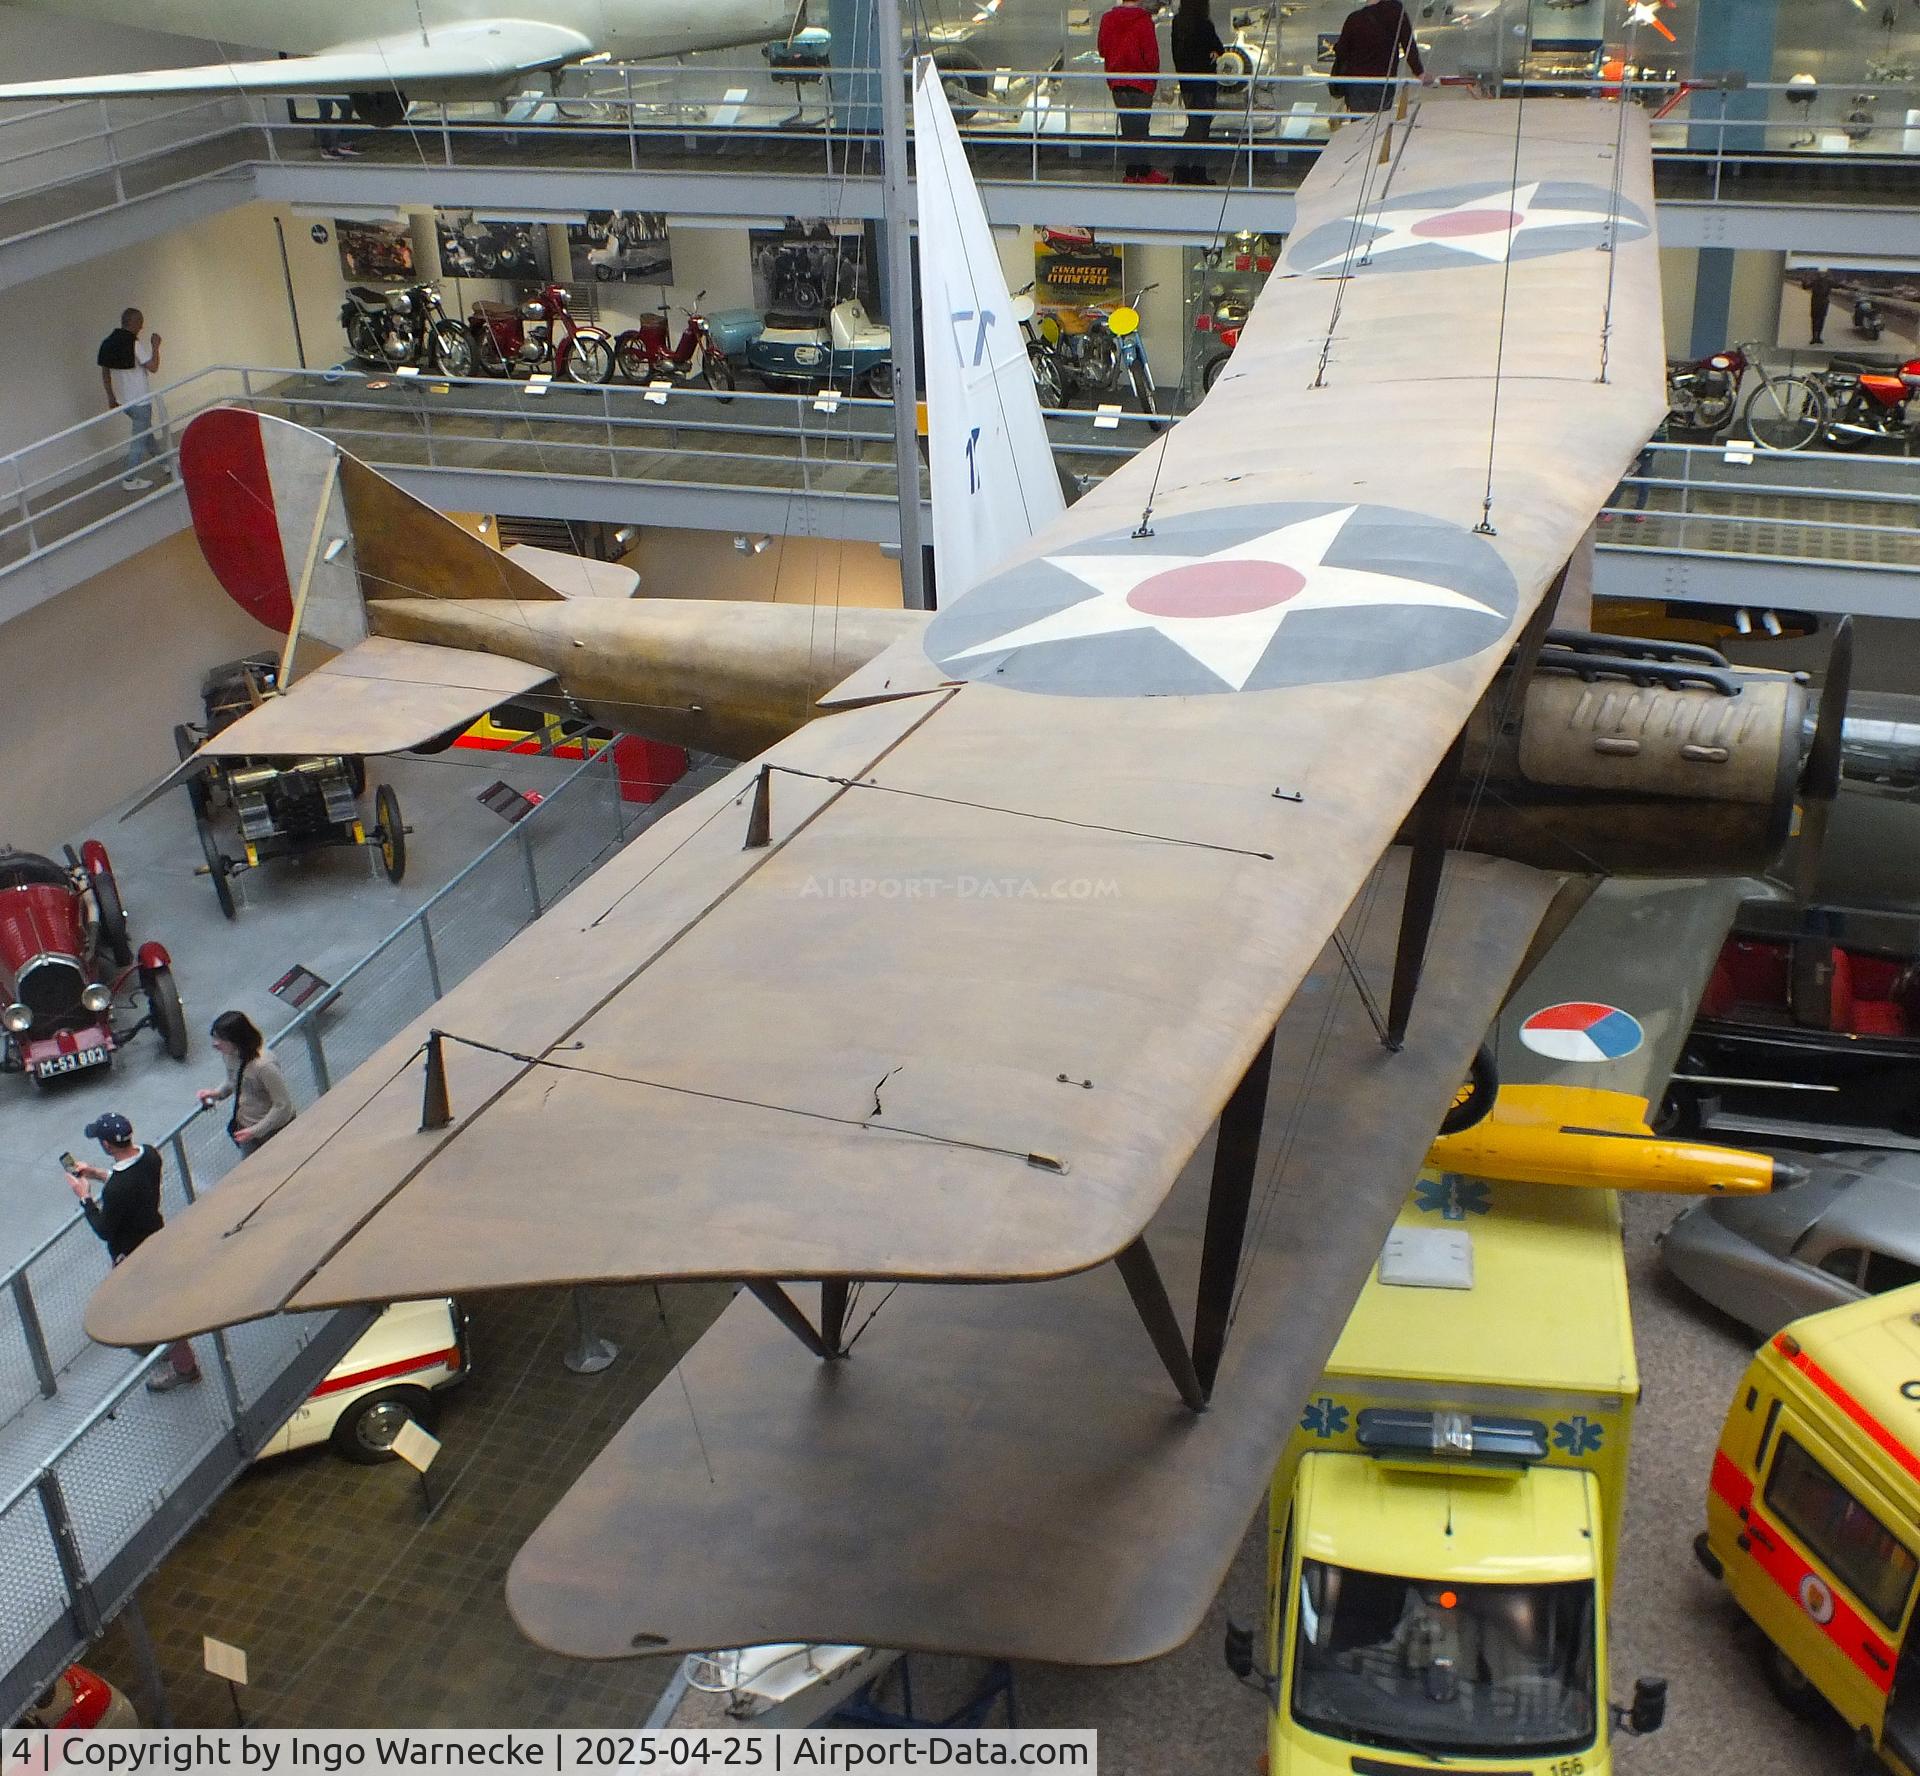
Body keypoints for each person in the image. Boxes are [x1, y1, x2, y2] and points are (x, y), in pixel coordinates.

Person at [66, 1113, 202, 1393]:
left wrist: (85, 1198)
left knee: (158, 1309)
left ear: (106, 1145)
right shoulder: (150, 1156)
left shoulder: (117, 1190)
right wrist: (95, 1173)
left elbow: (104, 1228)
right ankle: (162, 1346)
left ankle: (183, 1365)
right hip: (155, 1237)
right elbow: (126, 1182)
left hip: (133, 1255)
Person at [197, 1010, 296, 1151]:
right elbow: (233, 1081)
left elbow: (282, 1106)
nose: (215, 1044)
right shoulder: (230, 1055)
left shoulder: (264, 1066)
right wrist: (216, 1093)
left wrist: (255, 1131)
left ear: (237, 1039)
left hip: (273, 1131)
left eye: (221, 1039)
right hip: (246, 1129)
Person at [1099, 0, 1167, 184]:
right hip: (1141, 82)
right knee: (1141, 129)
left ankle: (1132, 173)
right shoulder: (1144, 21)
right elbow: (1151, 55)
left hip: (1117, 82)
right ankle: (1143, 172)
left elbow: (1102, 50)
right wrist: (1153, 77)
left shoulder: (1107, 19)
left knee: (1128, 129)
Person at [96, 308, 162, 493]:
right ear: (132, 322)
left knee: (146, 435)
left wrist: (111, 397)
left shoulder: (108, 343)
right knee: (139, 440)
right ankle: (130, 478)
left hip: (125, 402)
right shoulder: (133, 343)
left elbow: (105, 373)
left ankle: (165, 462)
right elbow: (153, 367)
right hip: (140, 401)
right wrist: (155, 346)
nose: (142, 326)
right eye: (140, 322)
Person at [1330, 0, 1424, 116]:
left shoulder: (1354, 19)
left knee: (1359, 122)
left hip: (1356, 83)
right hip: (1383, 81)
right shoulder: (1396, 12)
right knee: (1380, 120)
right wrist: (1419, 72)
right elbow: (1408, 44)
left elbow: (1342, 52)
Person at [1172, 0, 1225, 185]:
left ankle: (1186, 170)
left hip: (1187, 84)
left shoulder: (1178, 22)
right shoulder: (1204, 24)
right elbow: (1219, 47)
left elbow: (1176, 55)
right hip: (1204, 83)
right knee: (1201, 128)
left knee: (1195, 124)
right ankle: (1191, 170)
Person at [1807, 268, 1833, 346]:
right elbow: (1805, 286)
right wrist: (1804, 280)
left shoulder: (1829, 282)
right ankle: (1814, 337)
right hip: (1815, 303)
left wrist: (1851, 288)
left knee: (1821, 320)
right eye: (1821, 273)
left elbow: (1839, 285)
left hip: (1823, 303)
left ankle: (1818, 337)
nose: (1822, 274)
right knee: (1815, 321)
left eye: (1823, 273)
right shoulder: (1815, 281)